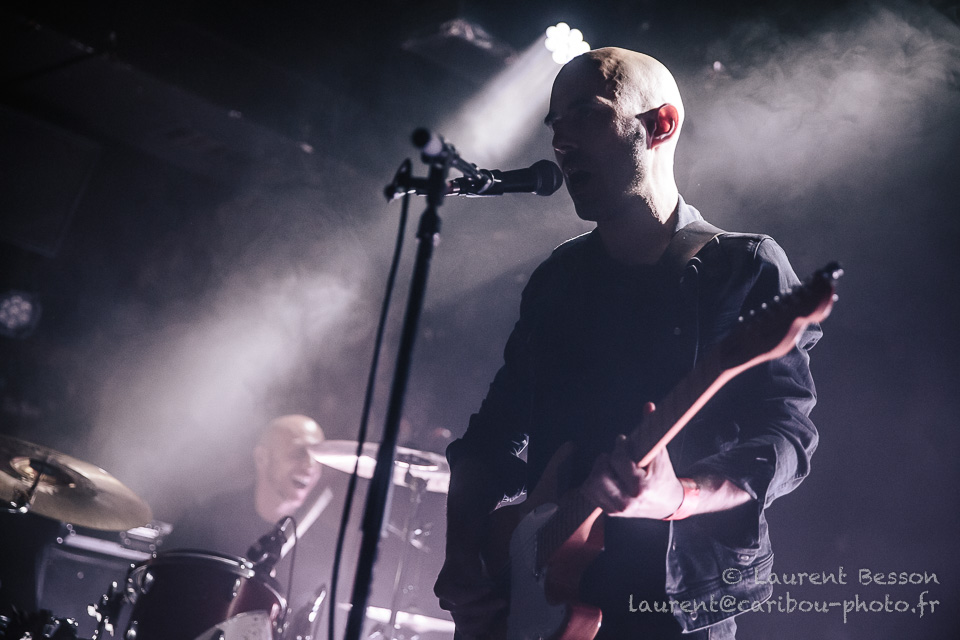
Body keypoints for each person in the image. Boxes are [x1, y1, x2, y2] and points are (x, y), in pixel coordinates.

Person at [433, 47, 820, 639]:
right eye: (554, 125)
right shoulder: (558, 280)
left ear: (661, 124)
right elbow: (491, 438)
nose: (560, 140)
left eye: (586, 116)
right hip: (535, 600)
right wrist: (464, 553)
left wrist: (677, 497)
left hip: (669, 606)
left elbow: (786, 435)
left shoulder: (743, 267)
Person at [169, 414, 342, 630]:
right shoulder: (206, 520)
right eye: (299, 453)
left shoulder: (327, 550)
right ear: (262, 458)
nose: (310, 466)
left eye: (317, 457)